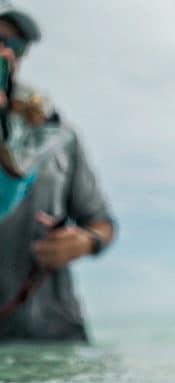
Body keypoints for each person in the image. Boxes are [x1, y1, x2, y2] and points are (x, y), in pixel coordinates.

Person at [0, 2, 115, 342]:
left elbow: (102, 222)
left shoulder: (59, 135)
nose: (3, 51)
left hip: (52, 331)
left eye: (14, 45)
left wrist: (85, 241)